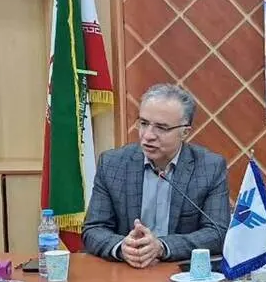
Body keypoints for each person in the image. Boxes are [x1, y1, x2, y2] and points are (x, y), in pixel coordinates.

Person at [83, 83, 230, 267]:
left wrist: (162, 247)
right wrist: (122, 247)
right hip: (127, 272)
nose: (148, 136)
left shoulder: (210, 167)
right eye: (144, 123)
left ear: (184, 132)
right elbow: (94, 229)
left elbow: (217, 233)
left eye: (161, 128)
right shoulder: (112, 164)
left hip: (181, 273)